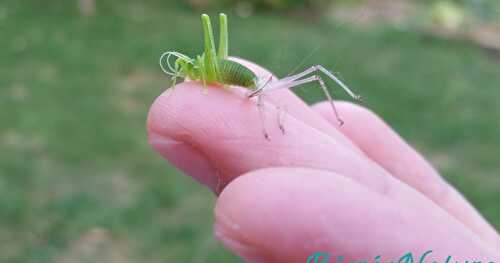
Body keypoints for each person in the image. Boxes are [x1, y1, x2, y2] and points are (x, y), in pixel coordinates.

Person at [147, 58, 500, 262]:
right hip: (239, 83)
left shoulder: (261, 90)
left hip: (252, 83)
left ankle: (347, 99)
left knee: (314, 72)